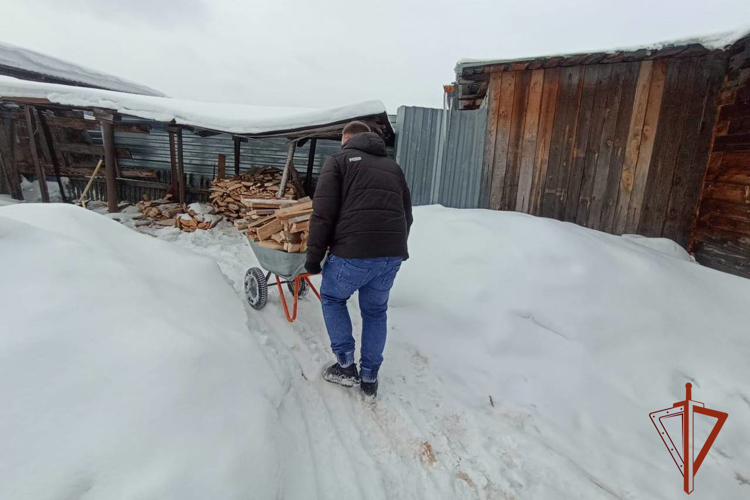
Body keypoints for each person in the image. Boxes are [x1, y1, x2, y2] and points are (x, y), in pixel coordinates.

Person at [305, 121, 413, 398]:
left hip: (353, 253)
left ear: (347, 138)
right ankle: (370, 377)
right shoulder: (393, 167)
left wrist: (314, 259)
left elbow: (323, 214)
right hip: (391, 255)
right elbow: (406, 215)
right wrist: (393, 246)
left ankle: (345, 366)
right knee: (376, 311)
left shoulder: (339, 160)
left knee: (332, 297)